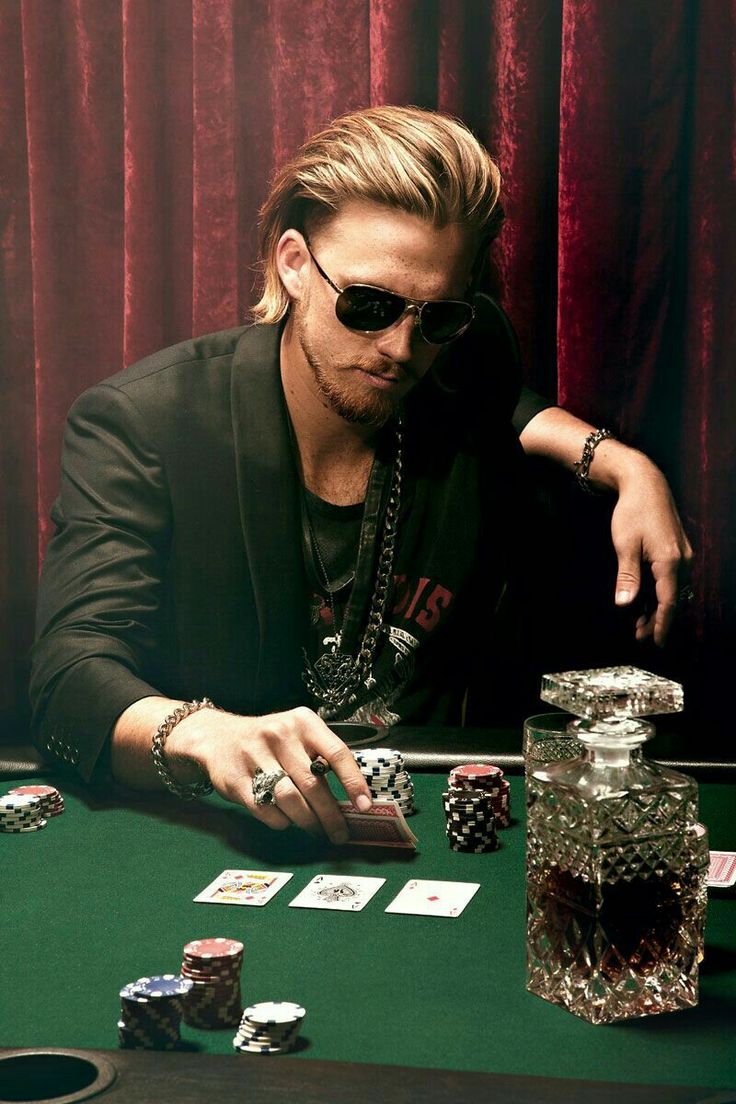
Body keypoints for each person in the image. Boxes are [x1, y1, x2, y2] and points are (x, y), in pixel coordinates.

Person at [29, 105, 691, 844]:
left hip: (433, 828)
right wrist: (203, 734)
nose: (401, 350)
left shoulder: (461, 365)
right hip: (241, 833)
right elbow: (68, 674)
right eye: (369, 306)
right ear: (292, 265)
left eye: (436, 317)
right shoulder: (146, 425)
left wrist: (623, 464)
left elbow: (503, 404)